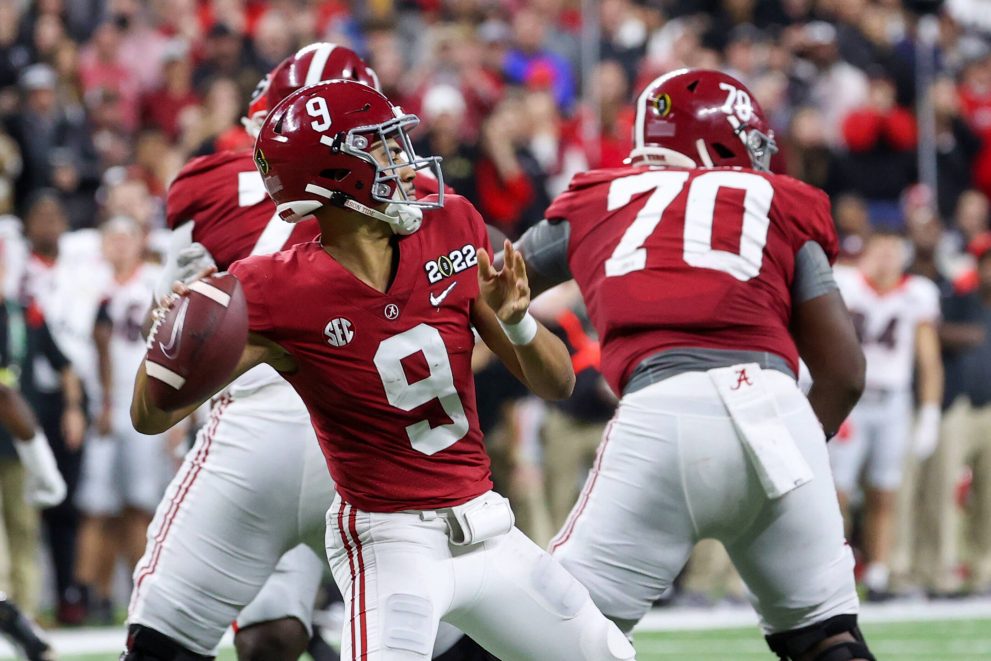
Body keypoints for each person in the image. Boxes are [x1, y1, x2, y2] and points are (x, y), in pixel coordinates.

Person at [131, 79, 635, 661]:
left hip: (486, 525)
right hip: (390, 542)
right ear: (333, 175)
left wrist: (519, 323)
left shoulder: (452, 224)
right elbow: (151, 414)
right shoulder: (269, 288)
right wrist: (173, 345)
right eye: (382, 146)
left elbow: (558, 382)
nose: (403, 158)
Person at [512, 69, 875, 661]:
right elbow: (845, 372)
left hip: (661, 410)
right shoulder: (778, 199)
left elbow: (490, 283)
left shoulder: (598, 198)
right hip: (774, 408)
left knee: (556, 634)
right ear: (717, 141)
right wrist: (798, 441)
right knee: (827, 638)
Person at [124, 44, 376, 661]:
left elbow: (170, 317)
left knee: (172, 639)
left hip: (250, 428)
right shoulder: (408, 190)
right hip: (364, 423)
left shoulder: (209, 182)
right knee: (446, 625)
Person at [830, 230, 943, 600]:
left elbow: (929, 360)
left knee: (885, 492)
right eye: (879, 249)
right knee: (837, 493)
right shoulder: (846, 283)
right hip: (852, 400)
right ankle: (834, 567)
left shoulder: (918, 293)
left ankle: (878, 573)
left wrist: (929, 412)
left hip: (893, 401)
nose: (885, 258)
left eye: (893, 250)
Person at [75, 216, 171, 623]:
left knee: (139, 504)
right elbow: (74, 347)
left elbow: (173, 345)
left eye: (125, 238)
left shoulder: (154, 279)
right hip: (100, 406)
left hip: (142, 405)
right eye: (111, 238)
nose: (118, 246)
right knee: (97, 507)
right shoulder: (84, 282)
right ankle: (87, 597)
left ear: (139, 242)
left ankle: (138, 592)